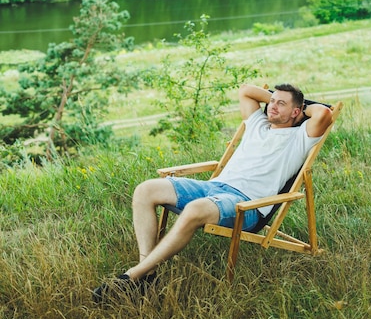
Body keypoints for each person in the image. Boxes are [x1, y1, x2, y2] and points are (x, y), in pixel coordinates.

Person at [93, 83, 333, 303]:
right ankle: (148, 275)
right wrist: (278, 100)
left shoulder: (301, 137)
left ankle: (131, 277)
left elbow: (324, 114)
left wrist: (302, 109)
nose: (272, 106)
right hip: (214, 187)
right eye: (271, 101)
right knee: (145, 190)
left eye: (282, 104)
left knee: (195, 209)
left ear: (296, 112)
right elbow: (246, 90)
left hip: (246, 203)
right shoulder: (258, 122)